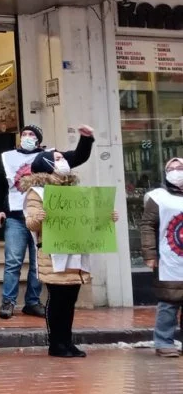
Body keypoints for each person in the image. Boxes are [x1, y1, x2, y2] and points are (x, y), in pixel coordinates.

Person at [22, 150, 117, 358]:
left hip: (74, 249)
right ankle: (56, 343)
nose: (63, 161)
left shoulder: (74, 191)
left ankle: (67, 341)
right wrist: (39, 216)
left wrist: (106, 216)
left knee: (70, 299)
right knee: (57, 299)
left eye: (62, 158)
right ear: (46, 164)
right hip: (53, 253)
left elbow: (87, 219)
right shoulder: (37, 192)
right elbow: (30, 223)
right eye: (57, 159)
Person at [0, 124, 94, 320]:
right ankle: (8, 301)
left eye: (32, 134)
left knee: (37, 262)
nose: (27, 137)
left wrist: (86, 139)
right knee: (13, 261)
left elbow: (78, 156)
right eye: (24, 134)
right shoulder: (7, 157)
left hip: (44, 218)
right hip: (16, 216)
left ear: (39, 139)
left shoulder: (50, 156)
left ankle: (32, 302)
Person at [140, 158, 183, 358]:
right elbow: (147, 226)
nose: (175, 171)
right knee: (169, 301)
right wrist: (149, 254)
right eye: (171, 169)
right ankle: (163, 341)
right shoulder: (158, 197)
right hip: (169, 259)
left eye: (179, 168)